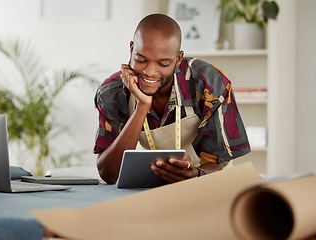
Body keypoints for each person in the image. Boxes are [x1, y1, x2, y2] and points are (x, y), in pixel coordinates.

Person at [94, 13, 250, 184]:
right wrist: (141, 107)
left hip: (209, 179)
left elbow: (216, 162)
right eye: (141, 59)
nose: (150, 72)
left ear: (178, 59)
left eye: (163, 63)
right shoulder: (112, 93)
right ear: (131, 49)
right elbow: (109, 174)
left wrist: (194, 174)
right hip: (158, 179)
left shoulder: (208, 84)